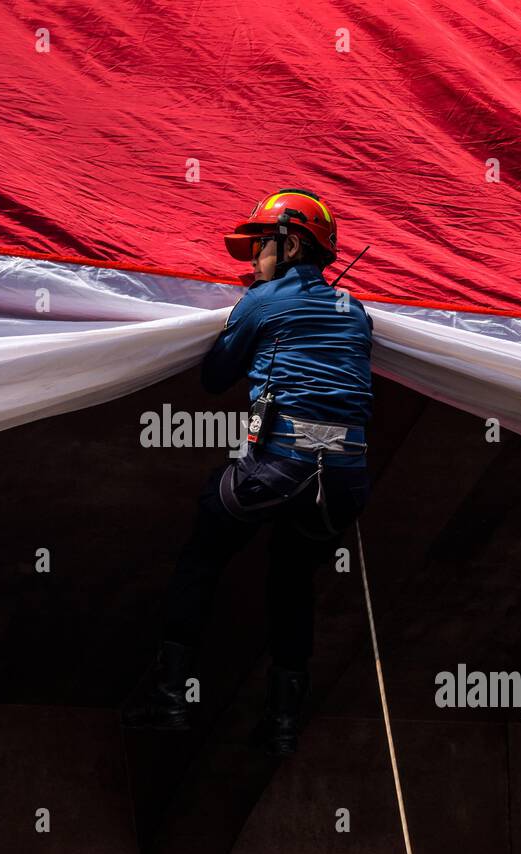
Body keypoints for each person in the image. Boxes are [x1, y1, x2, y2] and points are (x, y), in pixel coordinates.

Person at [122, 189, 374, 756]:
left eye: (260, 245)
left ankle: (170, 699)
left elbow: (215, 377)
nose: (252, 258)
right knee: (291, 580)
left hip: (277, 466)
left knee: (203, 555)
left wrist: (251, 309)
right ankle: (283, 725)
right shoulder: (354, 308)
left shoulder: (261, 303)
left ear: (289, 244)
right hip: (346, 477)